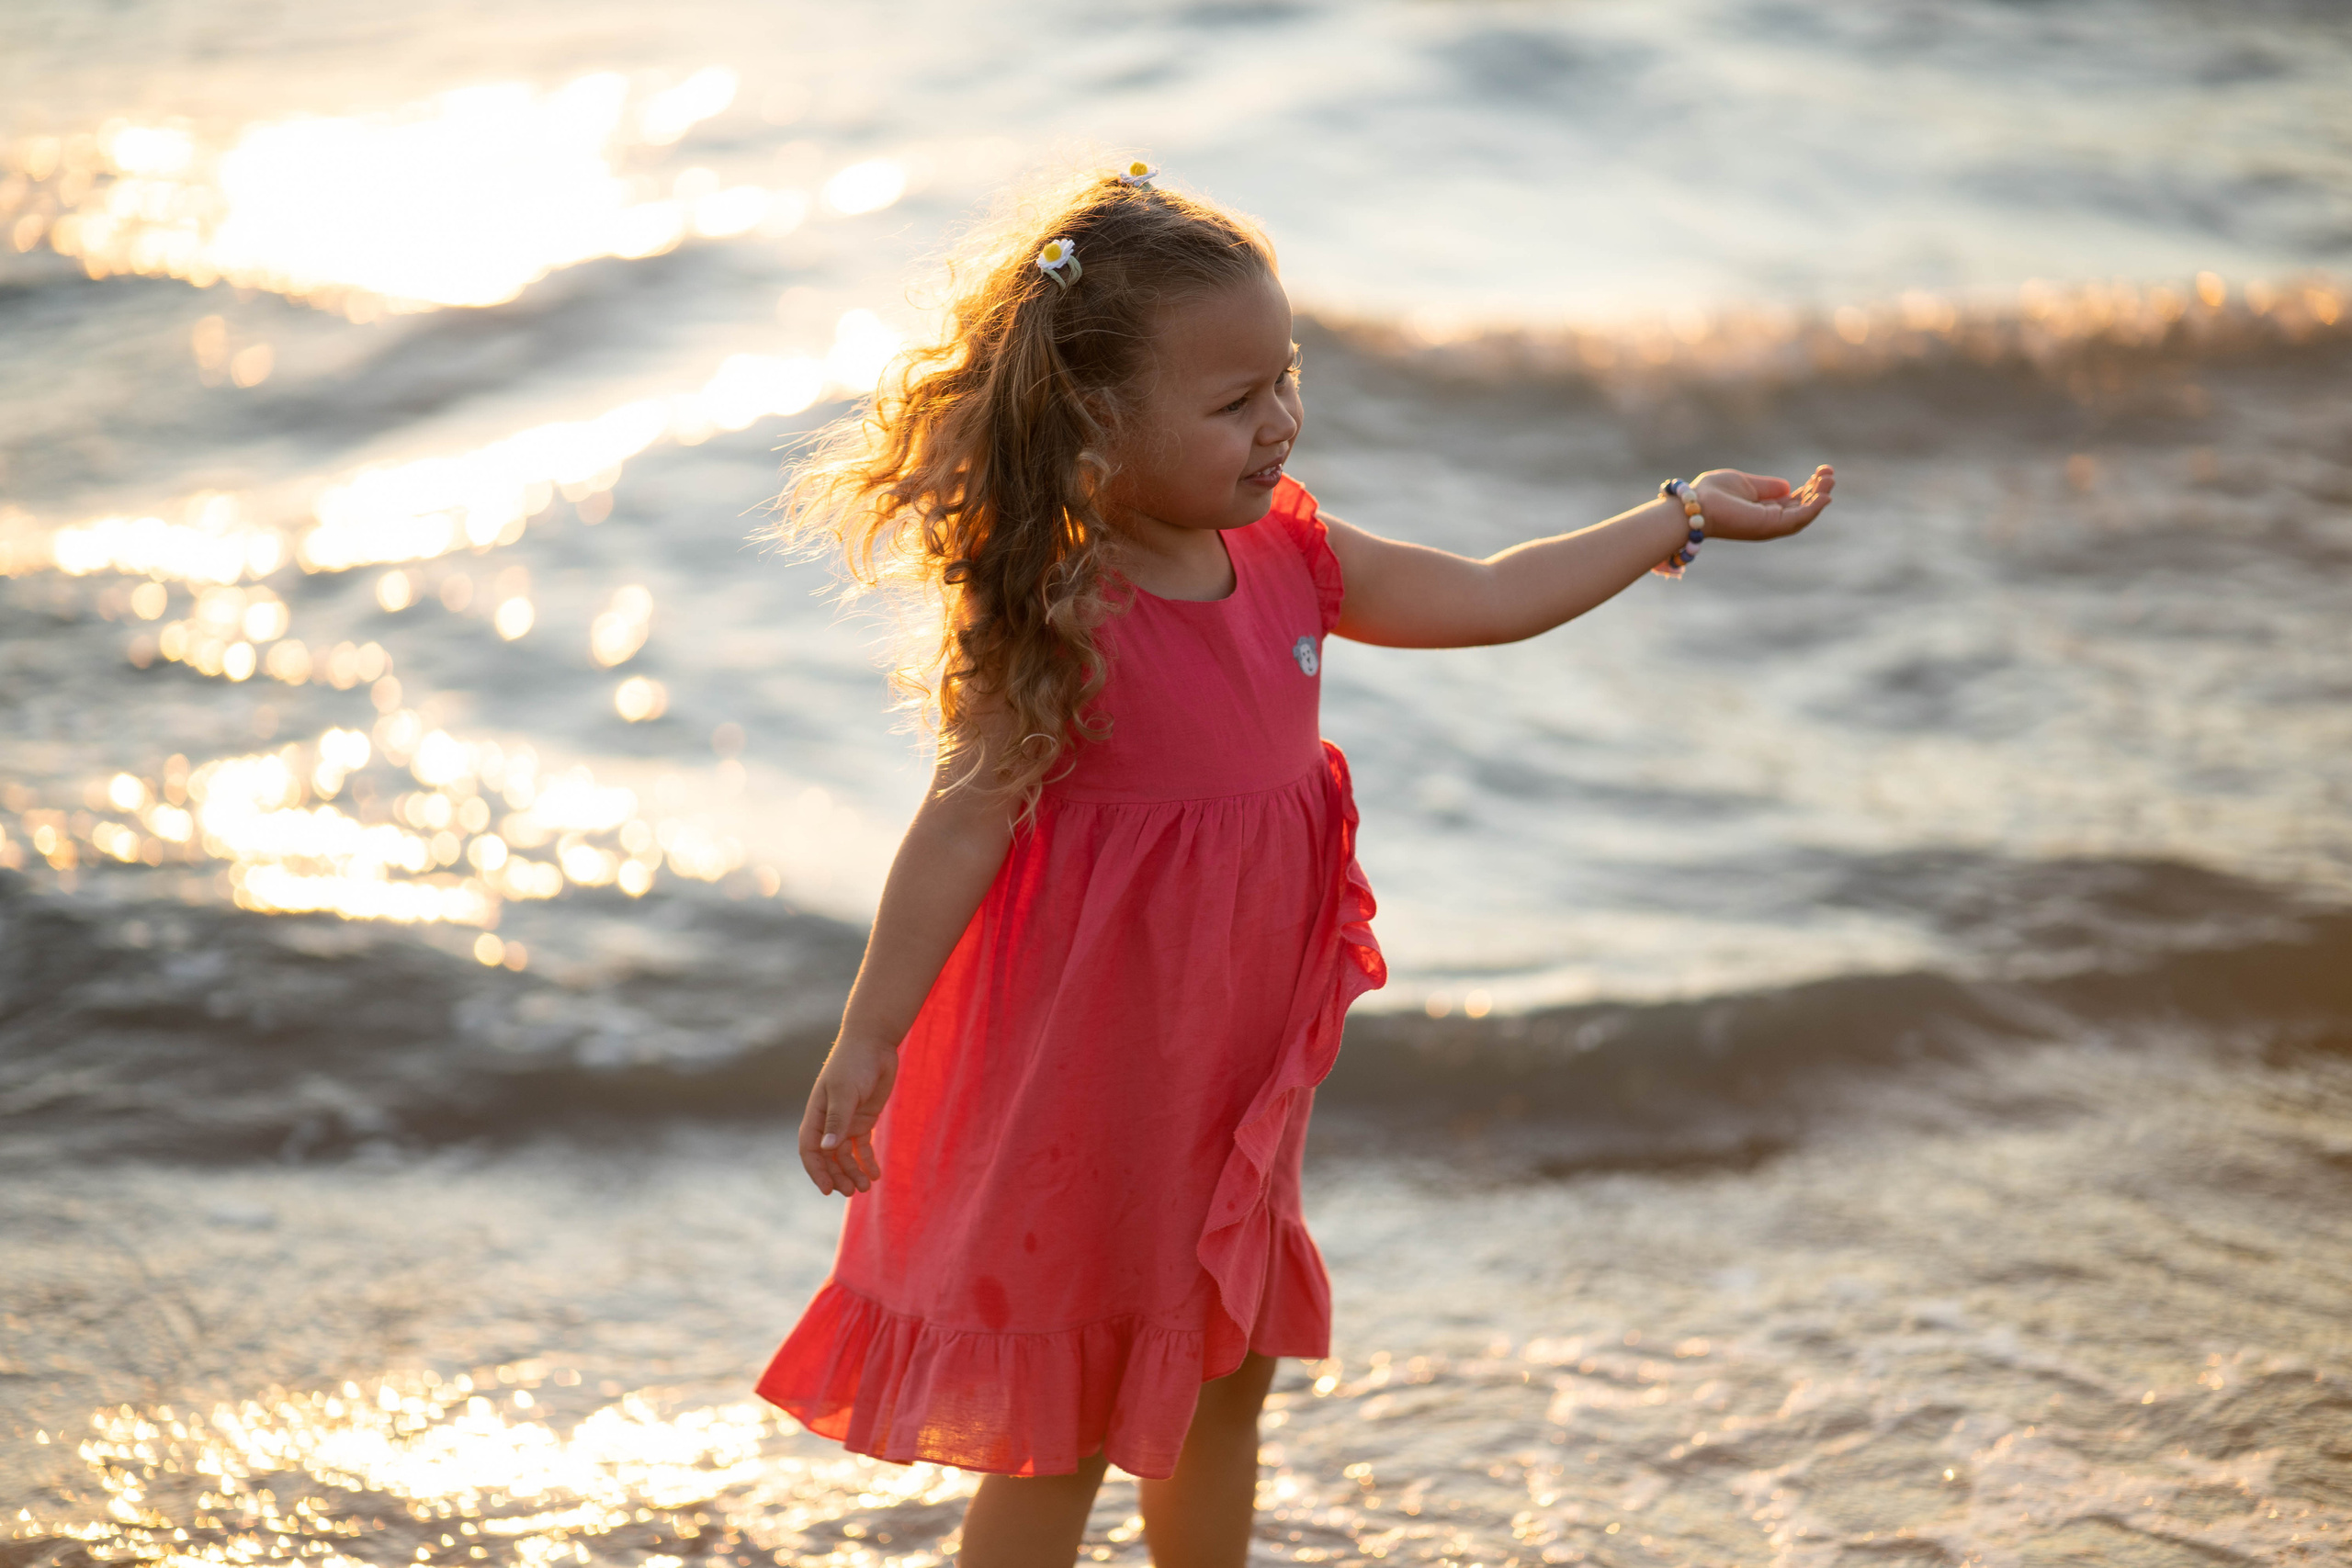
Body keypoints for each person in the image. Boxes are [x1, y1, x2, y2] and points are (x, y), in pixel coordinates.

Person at [756, 165, 1833, 1568]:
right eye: (1233, 403)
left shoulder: (1289, 554)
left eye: (1288, 379)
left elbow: (1492, 594)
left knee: (1228, 1374)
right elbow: (960, 821)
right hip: (1091, 1088)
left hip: (1230, 1076)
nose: (1281, 422)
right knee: (1067, 1426)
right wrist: (870, 1034)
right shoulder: (1060, 610)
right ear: (1097, 418)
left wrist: (1673, 515)